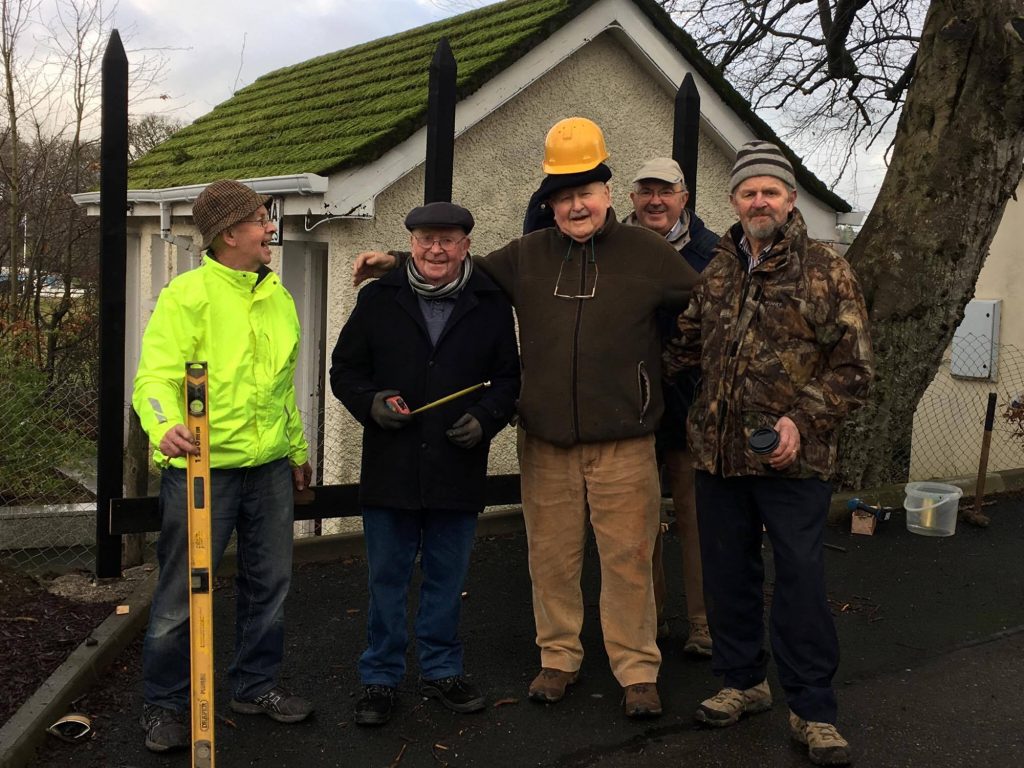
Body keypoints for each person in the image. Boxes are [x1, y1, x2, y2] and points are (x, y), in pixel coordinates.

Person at [353, 117, 700, 719]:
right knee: (552, 558)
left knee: (628, 559)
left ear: (607, 194)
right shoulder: (527, 256)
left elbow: (708, 302)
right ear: (551, 202)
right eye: (563, 196)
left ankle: (636, 669)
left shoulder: (647, 253)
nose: (574, 206)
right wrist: (392, 262)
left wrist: (664, 368)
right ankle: (559, 658)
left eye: (585, 192)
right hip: (546, 441)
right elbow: (455, 268)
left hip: (625, 442)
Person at [664, 141, 873, 766]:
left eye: (771, 192)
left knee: (801, 582)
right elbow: (684, 347)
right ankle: (742, 683)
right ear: (733, 201)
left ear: (788, 200)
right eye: (749, 191)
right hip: (720, 459)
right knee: (728, 575)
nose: (760, 201)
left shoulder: (825, 269)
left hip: (793, 463)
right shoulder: (719, 270)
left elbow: (855, 366)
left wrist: (799, 421)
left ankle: (813, 710)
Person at [132, 180, 314, 752]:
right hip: (200, 470)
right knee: (182, 591)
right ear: (228, 233)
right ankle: (164, 706)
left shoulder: (277, 298)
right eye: (261, 220)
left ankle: (254, 686)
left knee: (272, 585)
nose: (270, 230)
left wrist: (298, 452)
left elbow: (281, 388)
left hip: (267, 470)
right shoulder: (187, 296)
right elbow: (154, 378)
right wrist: (163, 426)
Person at [330, 201, 520, 726]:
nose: (437, 249)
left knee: (446, 576)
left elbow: (508, 379)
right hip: (390, 468)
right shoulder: (378, 299)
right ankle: (380, 677)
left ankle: (442, 671)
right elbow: (344, 369)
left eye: (448, 240)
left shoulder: (490, 304)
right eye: (426, 239)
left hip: (457, 469)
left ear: (465, 246)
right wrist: (369, 403)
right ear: (410, 244)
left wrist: (487, 418)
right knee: (386, 580)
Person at [624, 156, 719, 657]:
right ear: (632, 199)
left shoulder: (713, 251)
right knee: (638, 521)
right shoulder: (611, 246)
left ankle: (702, 623)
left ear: (684, 198)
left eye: (666, 191)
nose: (655, 200)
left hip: (691, 404)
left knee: (695, 517)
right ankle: (651, 617)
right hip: (631, 408)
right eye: (646, 191)